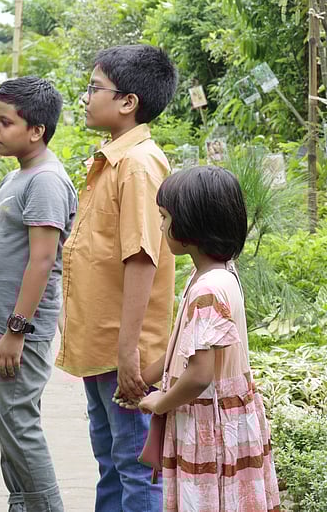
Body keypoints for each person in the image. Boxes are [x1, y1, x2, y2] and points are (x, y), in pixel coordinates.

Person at [55, 44, 179, 511]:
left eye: (95, 88)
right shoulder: (114, 159)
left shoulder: (138, 165)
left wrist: (129, 353)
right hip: (102, 347)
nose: (86, 97)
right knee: (111, 461)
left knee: (135, 467)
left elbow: (142, 259)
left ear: (128, 102)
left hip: (124, 354)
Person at [133, 166, 281, 511]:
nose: (161, 226)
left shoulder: (208, 290)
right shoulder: (219, 274)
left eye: (165, 217)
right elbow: (184, 349)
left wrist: (161, 402)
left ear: (191, 226)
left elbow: (199, 375)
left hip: (208, 426)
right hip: (223, 418)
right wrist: (144, 380)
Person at [0, 76, 77, 511]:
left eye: (5, 122)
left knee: (19, 424)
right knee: (6, 423)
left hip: (20, 329)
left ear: (37, 130)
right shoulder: (21, 174)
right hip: (0, 323)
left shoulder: (46, 181)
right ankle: (24, 504)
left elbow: (42, 261)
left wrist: (16, 329)